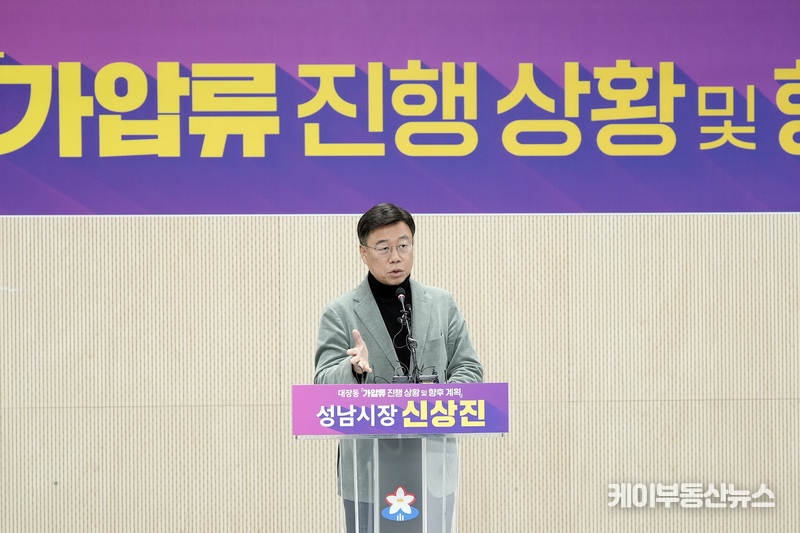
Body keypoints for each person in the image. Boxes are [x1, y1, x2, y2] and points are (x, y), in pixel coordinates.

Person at [314, 203, 483, 532]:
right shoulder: (339, 312)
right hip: (367, 470)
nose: (396, 257)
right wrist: (353, 369)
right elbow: (322, 384)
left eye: (404, 245)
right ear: (364, 253)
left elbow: (468, 368)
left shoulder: (442, 304)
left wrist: (441, 399)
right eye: (384, 248)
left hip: (433, 465)